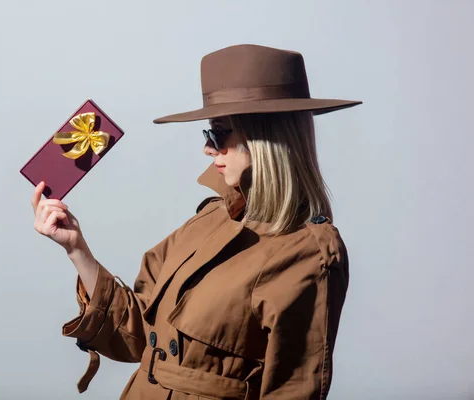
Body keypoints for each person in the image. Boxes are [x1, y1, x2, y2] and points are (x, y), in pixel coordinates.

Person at [31, 44, 362, 399]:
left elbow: (294, 389)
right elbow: (136, 334)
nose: (208, 148)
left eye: (219, 133)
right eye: (208, 134)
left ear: (267, 137)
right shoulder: (209, 219)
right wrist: (76, 248)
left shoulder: (309, 252)